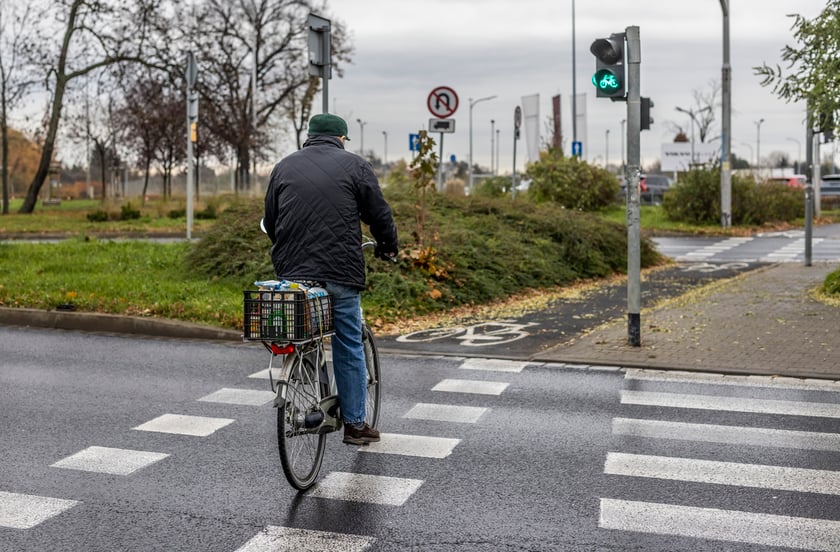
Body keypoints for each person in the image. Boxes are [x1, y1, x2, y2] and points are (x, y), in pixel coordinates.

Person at [263, 113, 398, 445]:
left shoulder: (283, 166)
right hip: (340, 271)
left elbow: (270, 220)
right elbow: (379, 214)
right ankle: (354, 425)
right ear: (341, 138)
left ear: (309, 137)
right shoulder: (355, 166)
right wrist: (388, 247)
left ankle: (307, 390)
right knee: (348, 342)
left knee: (304, 331)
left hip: (293, 274)